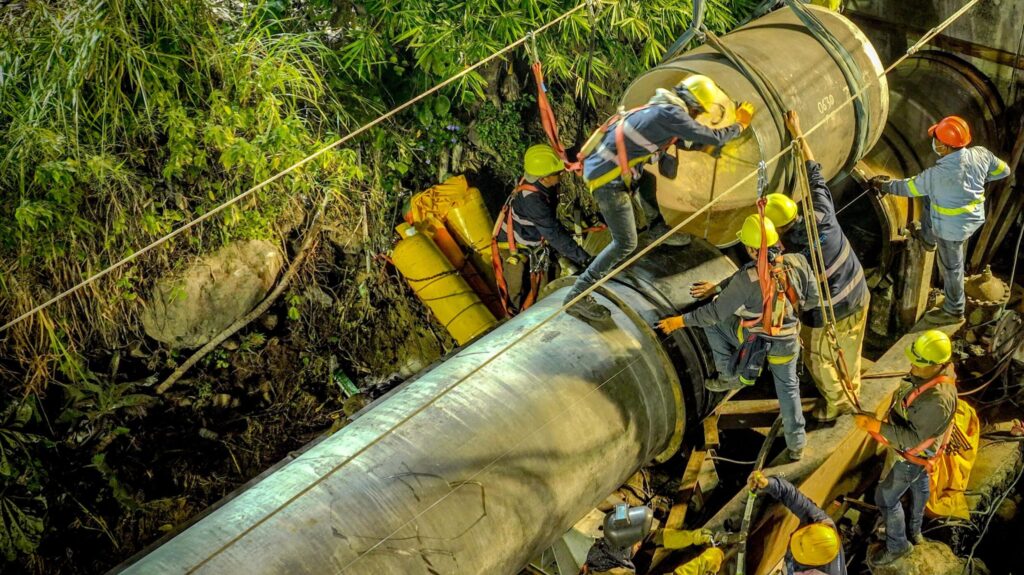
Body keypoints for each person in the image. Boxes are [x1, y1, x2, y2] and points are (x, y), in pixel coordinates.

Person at [564, 75, 754, 321]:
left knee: (648, 181)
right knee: (625, 243)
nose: (696, 117)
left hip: (603, 168)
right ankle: (577, 295)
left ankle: (657, 229)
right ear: (693, 106)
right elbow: (714, 137)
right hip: (607, 182)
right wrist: (739, 124)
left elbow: (673, 140)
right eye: (698, 112)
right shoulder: (671, 115)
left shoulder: (660, 107)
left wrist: (700, 147)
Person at [657, 215, 819, 460]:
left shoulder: (748, 280)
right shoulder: (797, 262)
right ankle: (796, 445)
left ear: (753, 249)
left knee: (714, 323)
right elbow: (814, 300)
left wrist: (678, 322)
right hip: (787, 344)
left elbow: (713, 313)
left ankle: (730, 375)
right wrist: (720, 287)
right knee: (788, 391)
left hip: (757, 342)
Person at [764, 111, 869, 423]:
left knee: (818, 358)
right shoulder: (822, 212)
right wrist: (797, 131)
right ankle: (853, 386)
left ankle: (837, 403)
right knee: (850, 347)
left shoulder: (792, 256)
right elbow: (814, 173)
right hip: (859, 293)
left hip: (829, 311)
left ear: (776, 229)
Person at [871, 116, 1010, 325]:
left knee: (952, 268)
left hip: (950, 230)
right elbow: (1004, 171)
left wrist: (884, 186)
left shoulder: (937, 175)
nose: (933, 143)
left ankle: (954, 310)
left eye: (936, 139)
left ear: (944, 147)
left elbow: (907, 188)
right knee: (929, 198)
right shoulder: (981, 154)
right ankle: (928, 238)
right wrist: (977, 180)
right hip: (972, 218)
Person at [853, 330, 958, 566]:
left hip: (913, 456)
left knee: (886, 497)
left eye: (919, 363)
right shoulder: (941, 375)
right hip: (923, 455)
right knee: (920, 483)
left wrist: (875, 425)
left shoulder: (936, 400)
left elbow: (911, 438)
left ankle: (898, 545)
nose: (913, 365)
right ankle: (915, 530)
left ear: (938, 364)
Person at [492, 143, 592, 315]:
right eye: (557, 173)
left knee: (546, 281)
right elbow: (553, 233)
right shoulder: (533, 201)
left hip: (532, 236)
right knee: (516, 289)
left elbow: (566, 156)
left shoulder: (537, 177)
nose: (562, 173)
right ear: (544, 178)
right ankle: (517, 320)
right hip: (515, 246)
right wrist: (584, 259)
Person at [747, 471, 846, 574]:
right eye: (802, 533)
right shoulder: (821, 525)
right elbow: (791, 495)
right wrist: (767, 483)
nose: (792, 534)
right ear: (812, 527)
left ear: (810, 562)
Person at [585, 526, 725, 575]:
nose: (638, 545)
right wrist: (700, 566)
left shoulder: (600, 555)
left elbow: (651, 537)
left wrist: (691, 537)